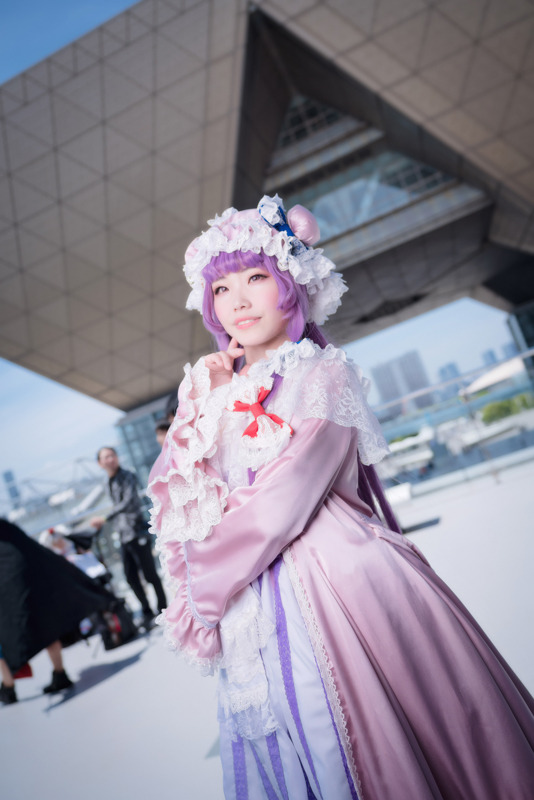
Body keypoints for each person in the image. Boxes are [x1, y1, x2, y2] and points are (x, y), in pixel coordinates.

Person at [147, 196, 534, 799]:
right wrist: (199, 403)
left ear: (290, 284)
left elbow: (283, 500)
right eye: (222, 288)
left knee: (353, 739)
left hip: (334, 582)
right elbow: (176, 492)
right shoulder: (216, 388)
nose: (239, 301)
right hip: (253, 598)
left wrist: (205, 582)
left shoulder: (322, 372)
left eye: (255, 279)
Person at [0, 518, 114, 702]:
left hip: (11, 586)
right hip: (32, 577)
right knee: (46, 624)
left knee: (4, 635)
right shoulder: (9, 529)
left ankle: (8, 686)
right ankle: (59, 674)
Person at [91, 447, 166, 628]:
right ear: (100, 464)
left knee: (150, 574)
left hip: (136, 531)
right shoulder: (109, 481)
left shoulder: (127, 476)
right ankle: (147, 611)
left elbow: (128, 501)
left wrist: (104, 518)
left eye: (112, 455)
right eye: (106, 457)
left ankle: (163, 609)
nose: (110, 459)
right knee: (130, 577)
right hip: (124, 535)